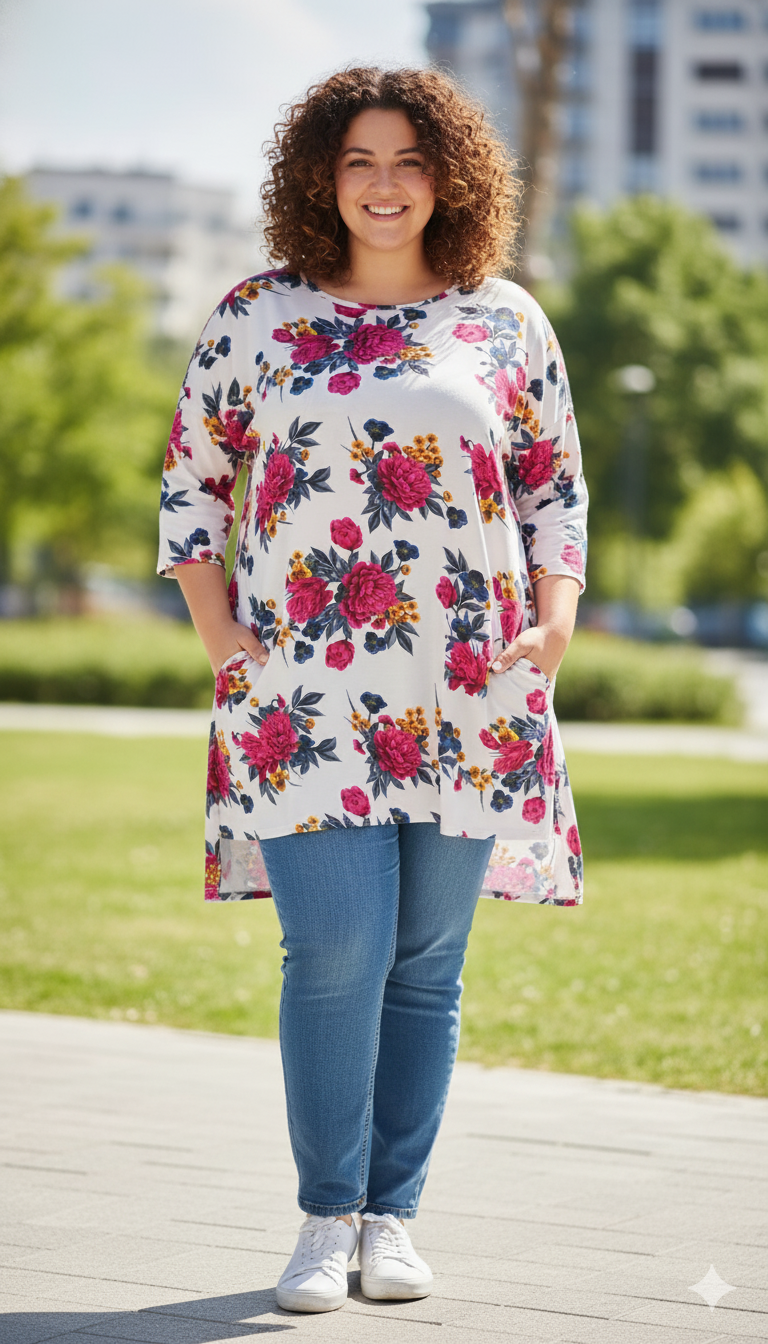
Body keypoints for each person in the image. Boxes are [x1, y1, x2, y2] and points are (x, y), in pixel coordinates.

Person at [158, 66, 587, 1315]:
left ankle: (392, 1219)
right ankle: (321, 1216)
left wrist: (550, 631)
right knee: (335, 949)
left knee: (426, 964)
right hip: (301, 691)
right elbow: (194, 481)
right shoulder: (258, 315)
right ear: (320, 177)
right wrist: (221, 635)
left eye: (409, 160)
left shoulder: (505, 321)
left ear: (450, 177)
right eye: (359, 160)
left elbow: (555, 490)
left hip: (471, 683)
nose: (385, 184)